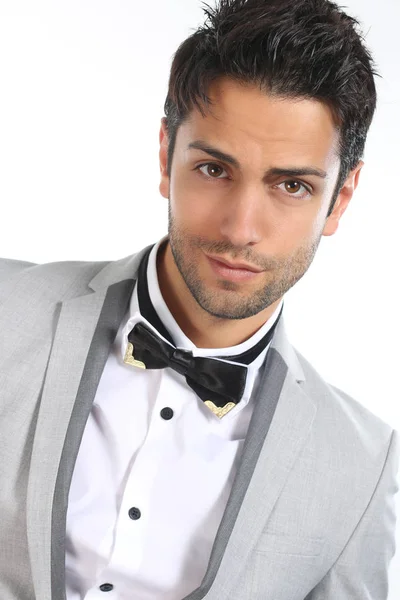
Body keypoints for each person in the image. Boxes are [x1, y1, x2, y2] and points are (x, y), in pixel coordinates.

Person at [0, 0, 398, 598]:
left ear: (340, 199)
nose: (241, 228)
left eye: (292, 185)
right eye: (215, 169)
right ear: (166, 156)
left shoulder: (360, 467)